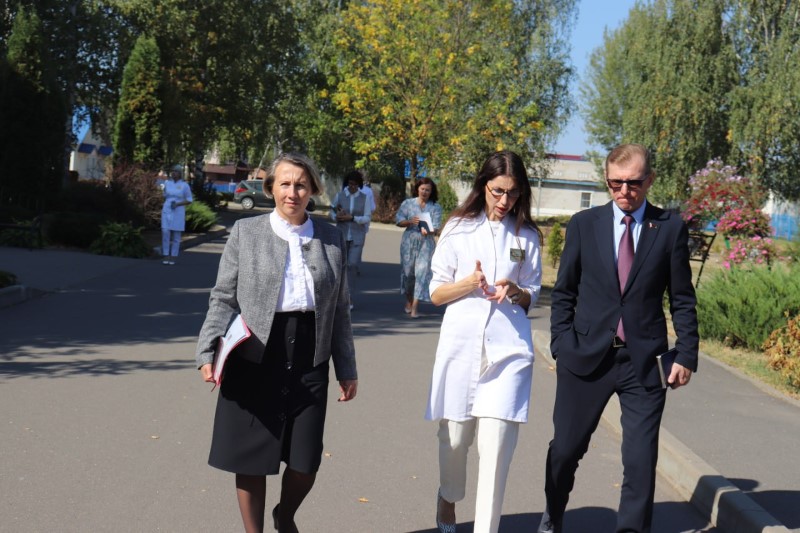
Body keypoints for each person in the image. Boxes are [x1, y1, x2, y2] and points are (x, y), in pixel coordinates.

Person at [538, 143, 698, 533]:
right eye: (615, 183)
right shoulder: (584, 224)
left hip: (644, 362)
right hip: (585, 356)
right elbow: (564, 291)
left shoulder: (669, 227)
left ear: (650, 180)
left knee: (641, 461)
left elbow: (681, 297)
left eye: (633, 183)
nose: (624, 191)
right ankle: (553, 516)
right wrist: (561, 344)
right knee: (566, 450)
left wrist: (686, 353)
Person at [195, 152, 358, 533]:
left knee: (305, 462)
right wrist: (207, 349)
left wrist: (346, 368)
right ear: (271, 188)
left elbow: (340, 310)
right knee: (251, 457)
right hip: (254, 352)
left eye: (301, 185)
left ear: (312, 190)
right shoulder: (246, 232)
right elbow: (223, 297)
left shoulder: (331, 238)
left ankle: (285, 517)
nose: (292, 192)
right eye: (285, 184)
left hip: (309, 354)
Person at [426, 150, 543, 533]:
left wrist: (517, 291)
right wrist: (467, 284)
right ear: (483, 186)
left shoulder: (526, 236)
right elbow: (436, 293)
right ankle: (448, 497)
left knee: (496, 451)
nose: (505, 200)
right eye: (498, 191)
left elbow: (533, 291)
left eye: (513, 192)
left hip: (509, 352)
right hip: (462, 349)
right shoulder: (458, 228)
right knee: (455, 440)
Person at [395, 177, 443, 318]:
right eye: (422, 189)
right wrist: (410, 221)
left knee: (421, 273)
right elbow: (398, 220)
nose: (424, 192)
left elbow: (436, 227)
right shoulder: (408, 203)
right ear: (417, 189)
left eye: (428, 190)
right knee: (408, 274)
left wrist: (429, 230)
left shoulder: (435, 207)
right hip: (409, 241)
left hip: (426, 243)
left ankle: (415, 308)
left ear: (431, 191)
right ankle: (409, 300)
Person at [329, 170, 373, 309]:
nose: (352, 186)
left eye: (355, 184)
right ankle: (338, 296)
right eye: (350, 184)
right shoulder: (340, 196)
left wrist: (353, 218)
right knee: (340, 266)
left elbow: (367, 217)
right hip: (342, 234)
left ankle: (349, 296)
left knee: (352, 265)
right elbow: (332, 211)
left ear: (359, 185)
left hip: (357, 236)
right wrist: (336, 217)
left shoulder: (364, 198)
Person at [161, 169, 193, 265]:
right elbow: (164, 195)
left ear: (180, 174)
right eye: (173, 171)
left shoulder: (184, 185)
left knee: (176, 234)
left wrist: (178, 204)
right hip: (167, 209)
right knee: (165, 231)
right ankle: (166, 254)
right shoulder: (167, 183)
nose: (174, 173)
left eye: (176, 171)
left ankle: (174, 255)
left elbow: (189, 200)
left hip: (178, 210)